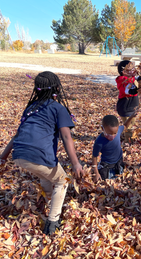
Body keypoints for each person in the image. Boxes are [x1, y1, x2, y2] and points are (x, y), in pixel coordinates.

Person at [0, 71, 84, 235]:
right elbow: (66, 136)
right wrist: (75, 163)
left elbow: (17, 135)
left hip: (19, 154)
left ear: (36, 89)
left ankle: (46, 201)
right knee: (62, 180)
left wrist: (3, 157)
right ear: (56, 89)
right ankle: (53, 222)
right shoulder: (58, 108)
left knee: (46, 174)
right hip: (38, 154)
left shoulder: (31, 107)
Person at [92, 111, 138, 181]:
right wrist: (96, 173)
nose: (113, 136)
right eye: (110, 133)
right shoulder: (99, 142)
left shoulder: (118, 130)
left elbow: (125, 126)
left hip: (119, 161)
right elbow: (94, 156)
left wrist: (131, 116)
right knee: (106, 180)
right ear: (102, 129)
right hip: (107, 165)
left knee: (120, 177)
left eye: (115, 133)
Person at [116, 60, 140, 143]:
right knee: (128, 125)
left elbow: (136, 80)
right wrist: (131, 91)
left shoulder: (132, 78)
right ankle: (128, 141)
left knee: (132, 122)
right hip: (125, 106)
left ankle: (129, 137)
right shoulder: (122, 80)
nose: (132, 71)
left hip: (133, 105)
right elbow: (124, 90)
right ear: (123, 72)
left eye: (133, 69)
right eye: (129, 70)